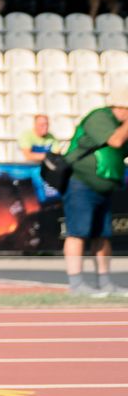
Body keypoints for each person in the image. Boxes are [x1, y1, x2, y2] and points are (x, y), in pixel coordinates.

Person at [62, 89, 128, 296]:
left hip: (105, 187)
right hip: (81, 184)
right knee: (77, 233)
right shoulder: (99, 117)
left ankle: (105, 282)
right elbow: (115, 141)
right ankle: (76, 284)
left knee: (103, 236)